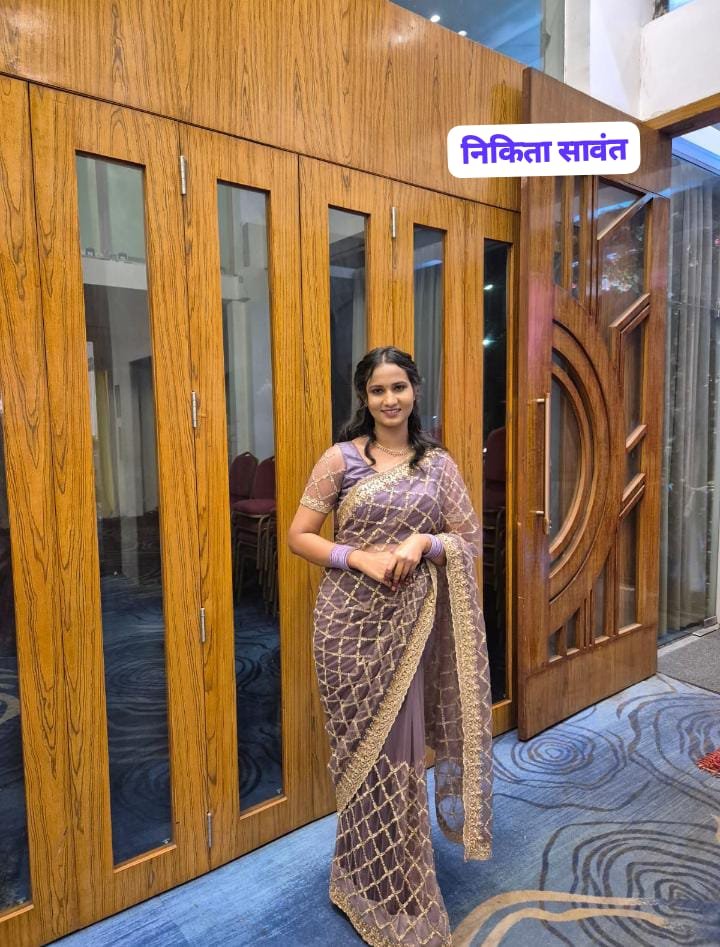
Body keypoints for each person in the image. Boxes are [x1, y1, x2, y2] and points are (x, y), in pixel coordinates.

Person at [288, 347, 492, 947]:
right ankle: (357, 876)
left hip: (410, 628)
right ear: (364, 398)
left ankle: (401, 887)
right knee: (358, 756)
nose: (390, 399)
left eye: (398, 387)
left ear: (415, 390)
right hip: (346, 627)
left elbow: (469, 539)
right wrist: (360, 557)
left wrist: (424, 542)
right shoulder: (340, 459)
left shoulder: (438, 465)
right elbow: (299, 536)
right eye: (377, 390)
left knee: (399, 753)